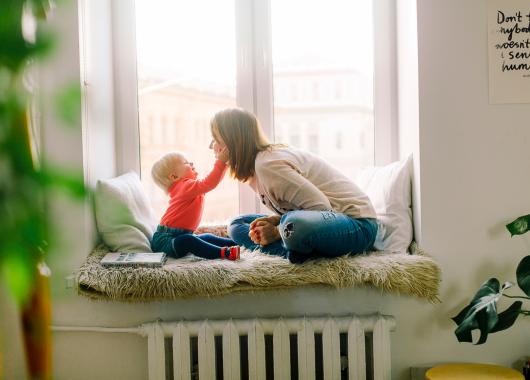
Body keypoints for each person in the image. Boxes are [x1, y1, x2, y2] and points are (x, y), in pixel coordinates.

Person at [209, 108, 378, 263]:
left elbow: (321, 207)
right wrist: (275, 222)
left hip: (358, 225)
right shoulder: (257, 169)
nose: (212, 146)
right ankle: (295, 252)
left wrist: (276, 231)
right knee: (237, 224)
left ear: (233, 142)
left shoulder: (268, 165)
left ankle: (293, 250)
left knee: (293, 225)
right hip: (322, 222)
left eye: (216, 139)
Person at [150, 151, 240, 260]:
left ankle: (236, 243)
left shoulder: (189, 188)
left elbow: (212, 183)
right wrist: (221, 162)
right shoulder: (184, 187)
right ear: (174, 176)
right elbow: (210, 182)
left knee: (206, 237)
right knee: (189, 240)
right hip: (165, 241)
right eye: (186, 163)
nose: (191, 163)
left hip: (179, 236)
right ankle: (225, 253)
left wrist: (224, 165)